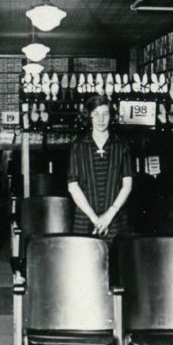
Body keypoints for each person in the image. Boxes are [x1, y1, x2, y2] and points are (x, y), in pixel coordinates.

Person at [67, 95, 133, 241]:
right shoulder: (78, 145)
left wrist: (109, 215)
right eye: (96, 114)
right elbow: (73, 186)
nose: (101, 119)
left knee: (116, 261)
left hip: (115, 219)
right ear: (89, 116)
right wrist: (95, 219)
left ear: (111, 116)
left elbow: (127, 185)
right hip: (85, 219)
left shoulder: (121, 145)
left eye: (105, 114)